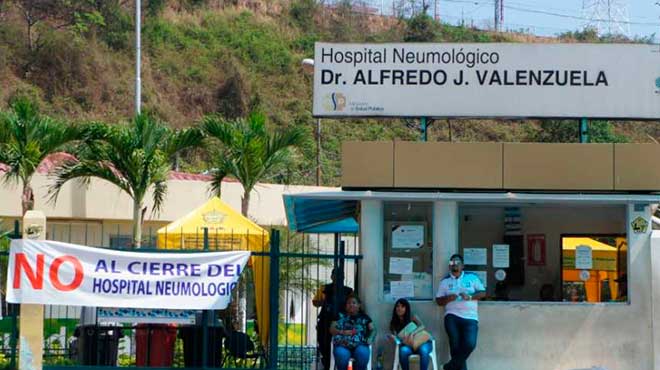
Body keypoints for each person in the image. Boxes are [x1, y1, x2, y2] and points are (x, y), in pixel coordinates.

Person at [435, 254, 486, 370]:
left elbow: (483, 293)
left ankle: (448, 367)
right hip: (452, 317)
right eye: (452, 263)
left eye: (457, 263)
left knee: (470, 344)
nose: (455, 265)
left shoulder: (472, 278)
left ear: (462, 266)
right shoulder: (445, 282)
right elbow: (438, 301)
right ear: (449, 266)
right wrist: (448, 298)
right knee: (455, 347)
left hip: (470, 318)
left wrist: (469, 297)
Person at [313, 267, 354, 370]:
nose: (339, 278)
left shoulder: (348, 291)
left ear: (344, 277)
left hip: (342, 323)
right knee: (324, 346)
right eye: (336, 275)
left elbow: (353, 305)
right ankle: (327, 365)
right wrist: (325, 301)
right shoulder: (324, 288)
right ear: (331, 277)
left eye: (341, 276)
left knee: (341, 347)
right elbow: (315, 302)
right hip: (325, 322)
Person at [330, 294, 375, 370]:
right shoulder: (339, 316)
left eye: (354, 303)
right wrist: (343, 332)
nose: (351, 305)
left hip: (360, 344)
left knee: (362, 354)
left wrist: (371, 337)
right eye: (349, 303)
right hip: (342, 344)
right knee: (341, 356)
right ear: (345, 305)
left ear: (359, 305)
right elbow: (332, 329)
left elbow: (373, 329)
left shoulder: (364, 317)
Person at [389, 298, 433, 370]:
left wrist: (412, 333)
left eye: (402, 306)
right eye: (398, 306)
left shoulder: (412, 316)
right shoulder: (393, 324)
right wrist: (394, 339)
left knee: (423, 350)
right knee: (403, 351)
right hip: (409, 345)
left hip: (422, 342)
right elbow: (398, 340)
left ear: (406, 308)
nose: (399, 308)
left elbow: (422, 326)